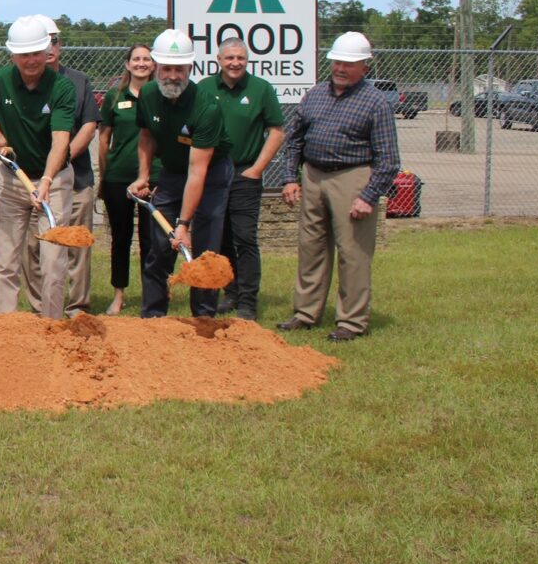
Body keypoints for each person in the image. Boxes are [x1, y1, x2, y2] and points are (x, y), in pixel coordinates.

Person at [277, 32, 400, 341]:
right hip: (314, 175)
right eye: (336, 62)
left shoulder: (375, 103)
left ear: (364, 67)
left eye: (348, 63)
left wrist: (368, 196)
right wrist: (291, 177)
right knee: (311, 246)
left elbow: (388, 159)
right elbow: (294, 140)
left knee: (353, 252)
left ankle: (352, 321)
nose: (340, 68)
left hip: (353, 177)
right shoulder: (315, 94)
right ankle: (306, 312)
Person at [129, 28, 233, 318]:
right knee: (160, 248)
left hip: (209, 177)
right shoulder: (148, 94)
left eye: (179, 69)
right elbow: (147, 136)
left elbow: (197, 172)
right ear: (155, 67)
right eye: (167, 68)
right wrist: (143, 176)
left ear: (190, 67)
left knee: (204, 250)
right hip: (172, 173)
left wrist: (184, 224)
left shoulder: (206, 107)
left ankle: (203, 318)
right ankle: (153, 317)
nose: (172, 76)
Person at [0, 16, 77, 319]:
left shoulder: (62, 87)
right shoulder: (1, 80)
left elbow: (61, 141)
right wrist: (1, 141)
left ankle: (51, 327)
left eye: (37, 52)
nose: (31, 60)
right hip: (13, 182)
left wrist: (47, 180)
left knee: (52, 262)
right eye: (24, 54)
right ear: (13, 56)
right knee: (5, 261)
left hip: (54, 183)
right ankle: (5, 329)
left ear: (47, 50)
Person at [204, 37, 286, 320]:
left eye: (240, 58)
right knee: (220, 237)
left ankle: (248, 302)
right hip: (212, 174)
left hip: (244, 173)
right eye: (229, 58)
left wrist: (257, 169)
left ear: (246, 60)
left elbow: (277, 130)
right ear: (219, 60)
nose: (235, 63)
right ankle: (230, 292)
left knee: (245, 238)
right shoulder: (203, 88)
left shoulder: (260, 89)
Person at [34, 16, 102, 316]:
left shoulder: (78, 80)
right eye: (43, 41)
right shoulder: (23, 82)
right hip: (35, 181)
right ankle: (41, 308)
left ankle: (78, 307)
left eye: (54, 40)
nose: (50, 47)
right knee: (35, 248)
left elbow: (88, 126)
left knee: (76, 245)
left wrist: (62, 160)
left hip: (77, 178)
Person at [96, 43, 157, 316]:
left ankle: (152, 293)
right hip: (118, 177)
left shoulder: (161, 96)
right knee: (121, 239)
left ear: (153, 65)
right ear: (128, 64)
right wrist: (104, 176)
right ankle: (119, 295)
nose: (141, 63)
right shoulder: (114, 96)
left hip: (152, 179)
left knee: (152, 239)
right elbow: (104, 139)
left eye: (146, 59)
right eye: (136, 59)